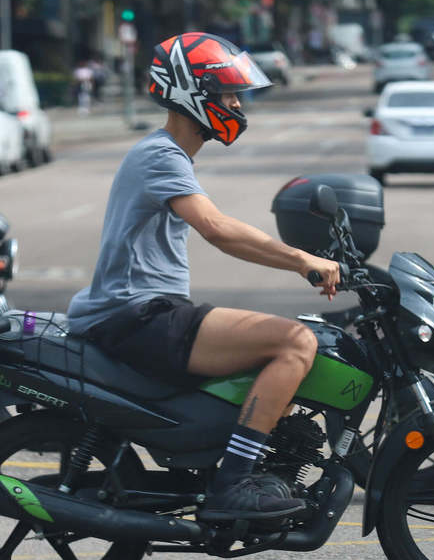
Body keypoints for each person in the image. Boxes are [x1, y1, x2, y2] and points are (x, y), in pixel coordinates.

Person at [67, 32, 341, 520]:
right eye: (227, 94)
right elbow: (218, 230)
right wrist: (301, 259)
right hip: (136, 315)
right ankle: (233, 484)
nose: (236, 104)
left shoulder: (170, 155)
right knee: (296, 343)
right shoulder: (161, 155)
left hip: (146, 311)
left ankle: (253, 462)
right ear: (190, 93)